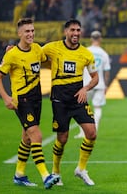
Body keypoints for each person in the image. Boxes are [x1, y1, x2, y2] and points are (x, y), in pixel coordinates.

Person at [0, 18, 59, 189]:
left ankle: (19, 174)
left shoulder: (37, 49)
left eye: (32, 31)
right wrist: (6, 98)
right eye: (27, 31)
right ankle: (46, 176)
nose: (30, 34)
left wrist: (57, 66)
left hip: (36, 99)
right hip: (22, 100)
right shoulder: (12, 54)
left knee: (27, 138)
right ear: (19, 34)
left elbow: (43, 61)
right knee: (36, 135)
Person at [42, 19, 99, 186]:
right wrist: (12, 50)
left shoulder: (86, 54)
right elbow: (33, 54)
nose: (76, 33)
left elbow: (95, 78)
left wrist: (85, 88)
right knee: (63, 138)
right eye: (72, 30)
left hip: (78, 98)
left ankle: (81, 169)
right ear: (66, 31)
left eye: (78, 30)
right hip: (60, 100)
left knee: (92, 133)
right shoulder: (52, 48)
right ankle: (56, 171)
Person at [74, 30, 111, 138]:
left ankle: (82, 132)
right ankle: (95, 130)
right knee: (97, 107)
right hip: (99, 83)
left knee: (81, 107)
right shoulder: (104, 53)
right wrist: (106, 85)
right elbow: (107, 71)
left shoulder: (86, 51)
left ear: (91, 39)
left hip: (86, 83)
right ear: (100, 39)